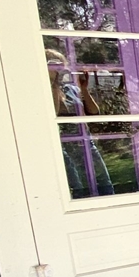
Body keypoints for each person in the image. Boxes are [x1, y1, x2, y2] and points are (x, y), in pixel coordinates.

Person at [47, 48, 114, 197]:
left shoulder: (70, 88)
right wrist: (54, 84)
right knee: (76, 187)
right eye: (54, 65)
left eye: (61, 65)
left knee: (104, 182)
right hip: (63, 147)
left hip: (85, 142)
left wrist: (84, 89)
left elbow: (94, 111)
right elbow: (53, 112)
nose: (59, 69)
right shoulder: (46, 91)